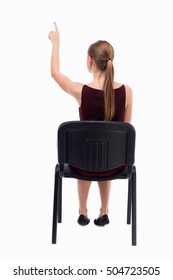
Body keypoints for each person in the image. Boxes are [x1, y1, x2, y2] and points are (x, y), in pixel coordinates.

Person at [48, 23, 133, 227]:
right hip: (115, 164)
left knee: (84, 154)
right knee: (107, 151)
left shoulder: (81, 91)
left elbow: (55, 74)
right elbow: (124, 133)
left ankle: (82, 210)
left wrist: (56, 43)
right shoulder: (127, 92)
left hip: (81, 165)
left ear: (90, 61)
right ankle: (104, 210)